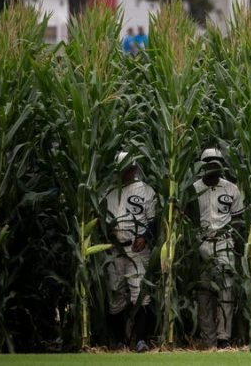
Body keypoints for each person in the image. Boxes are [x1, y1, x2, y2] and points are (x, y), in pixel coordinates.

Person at [192, 148, 244, 348]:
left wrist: (237, 248)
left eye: (217, 164)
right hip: (201, 244)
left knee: (226, 291)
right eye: (209, 164)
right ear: (202, 166)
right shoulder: (194, 189)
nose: (214, 168)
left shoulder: (231, 189)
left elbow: (238, 219)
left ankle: (224, 337)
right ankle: (208, 338)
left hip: (225, 243)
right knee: (204, 292)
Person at [105, 150, 157, 352]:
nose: (126, 172)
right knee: (115, 297)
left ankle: (141, 340)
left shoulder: (146, 191)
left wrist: (145, 237)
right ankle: (120, 341)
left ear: (135, 168)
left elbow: (153, 221)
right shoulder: (108, 192)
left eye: (129, 168)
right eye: (123, 169)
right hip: (114, 252)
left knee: (140, 294)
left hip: (137, 251)